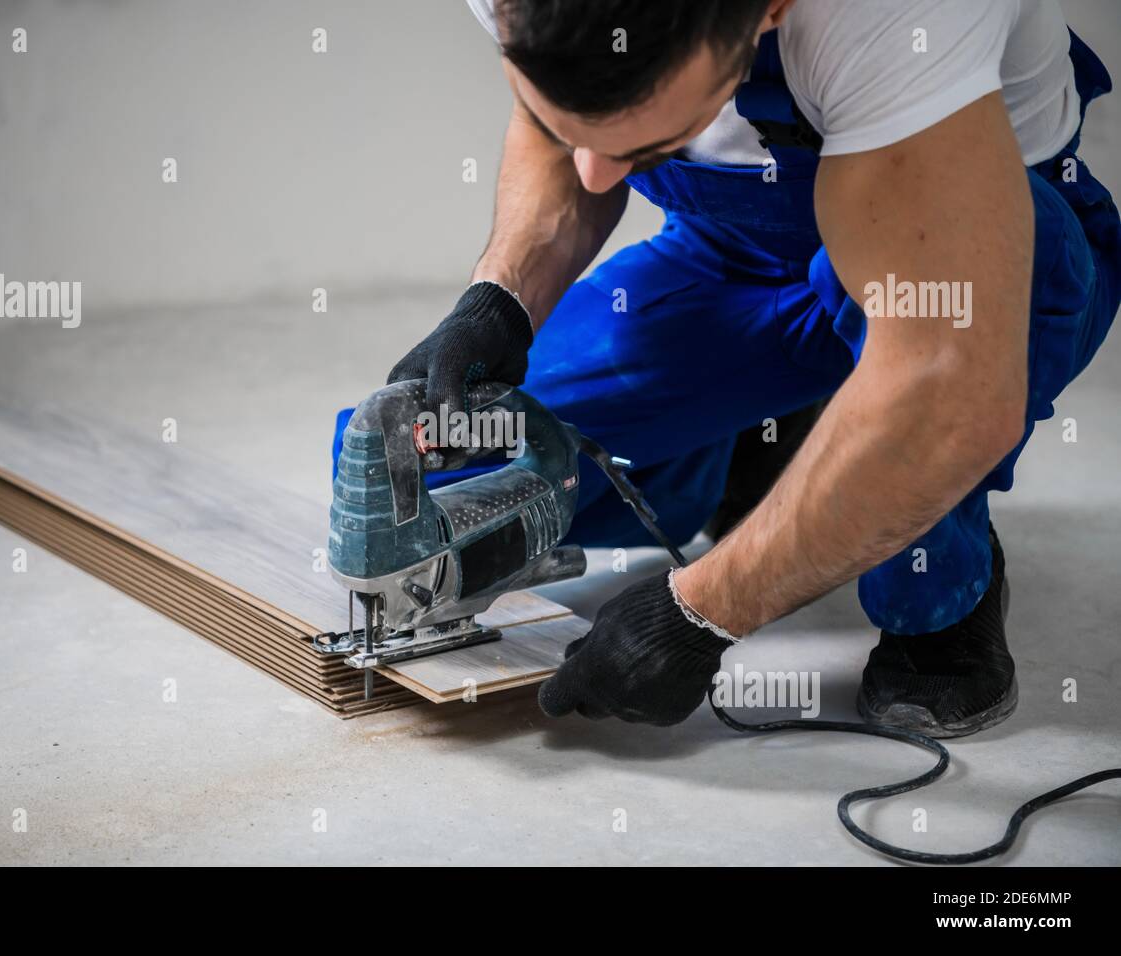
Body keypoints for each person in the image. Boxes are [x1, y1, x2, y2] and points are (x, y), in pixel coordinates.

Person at [344, 0, 1120, 734]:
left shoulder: (896, 19)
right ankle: (735, 459)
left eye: (643, 142)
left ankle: (946, 599)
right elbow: (558, 130)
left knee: (924, 396)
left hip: (956, 266)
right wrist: (499, 302)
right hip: (735, 254)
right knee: (422, 486)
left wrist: (700, 613)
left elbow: (946, 384)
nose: (594, 175)